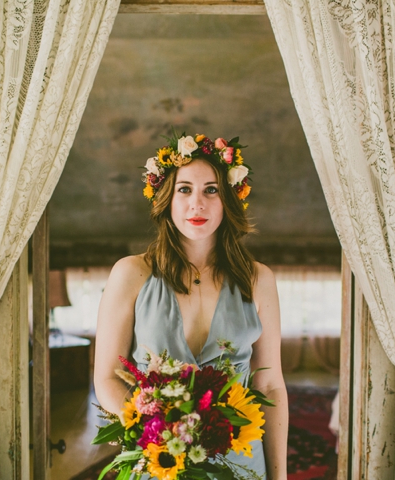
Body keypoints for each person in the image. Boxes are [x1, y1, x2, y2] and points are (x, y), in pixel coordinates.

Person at [94, 133, 288, 479]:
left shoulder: (259, 280)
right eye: (184, 189)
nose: (196, 204)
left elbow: (270, 385)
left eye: (211, 190)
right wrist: (158, 433)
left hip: (240, 464)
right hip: (158, 462)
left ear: (229, 199)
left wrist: (279, 476)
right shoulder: (131, 274)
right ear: (166, 198)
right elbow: (108, 376)